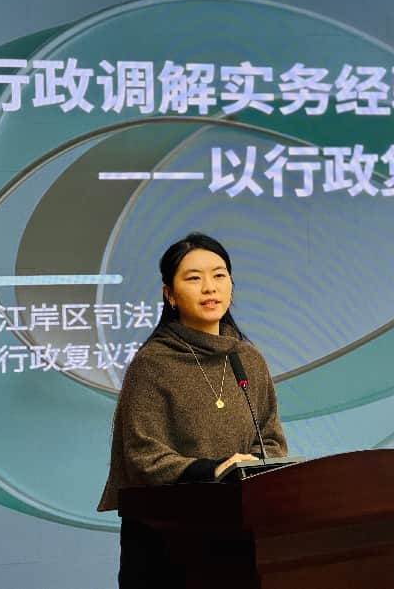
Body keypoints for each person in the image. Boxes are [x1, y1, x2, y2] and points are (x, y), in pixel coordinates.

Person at [97, 232, 288, 588]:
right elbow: (143, 456)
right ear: (169, 294)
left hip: (243, 539)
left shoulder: (247, 359)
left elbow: (272, 441)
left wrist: (252, 467)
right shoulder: (152, 364)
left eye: (219, 275)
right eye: (194, 278)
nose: (210, 287)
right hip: (168, 547)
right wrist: (215, 470)